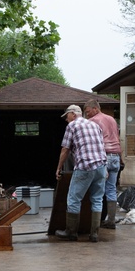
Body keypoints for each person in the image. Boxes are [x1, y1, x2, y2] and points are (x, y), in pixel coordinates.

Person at [54, 104, 107, 242]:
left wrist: (59, 168)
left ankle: (71, 232)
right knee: (97, 199)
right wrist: (105, 168)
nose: (66, 119)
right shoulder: (95, 125)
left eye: (67, 116)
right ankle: (94, 234)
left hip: (85, 166)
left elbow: (65, 149)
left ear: (73, 114)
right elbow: (101, 146)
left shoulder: (72, 126)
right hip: (101, 166)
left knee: (73, 199)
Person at [84, 99, 122, 229]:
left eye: (88, 111)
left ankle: (96, 222)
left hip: (103, 157)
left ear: (95, 108)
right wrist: (121, 158)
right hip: (115, 157)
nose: (87, 114)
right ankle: (111, 220)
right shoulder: (111, 119)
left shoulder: (93, 122)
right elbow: (118, 137)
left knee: (97, 191)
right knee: (111, 189)